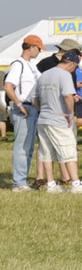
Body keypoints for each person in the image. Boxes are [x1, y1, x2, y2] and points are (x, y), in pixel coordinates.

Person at [34, 49, 82, 192]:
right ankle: (75, 184)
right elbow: (68, 96)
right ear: (72, 64)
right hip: (59, 120)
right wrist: (71, 113)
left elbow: (34, 98)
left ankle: (51, 184)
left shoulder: (44, 75)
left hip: (43, 119)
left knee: (46, 152)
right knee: (68, 150)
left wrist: (43, 110)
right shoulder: (65, 75)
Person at [6, 35, 46, 191]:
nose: (39, 52)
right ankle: (19, 183)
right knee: (22, 147)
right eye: (38, 49)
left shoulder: (31, 65)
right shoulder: (18, 64)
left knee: (28, 147)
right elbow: (8, 86)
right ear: (31, 47)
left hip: (32, 108)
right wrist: (19, 104)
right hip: (25, 109)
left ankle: (22, 180)